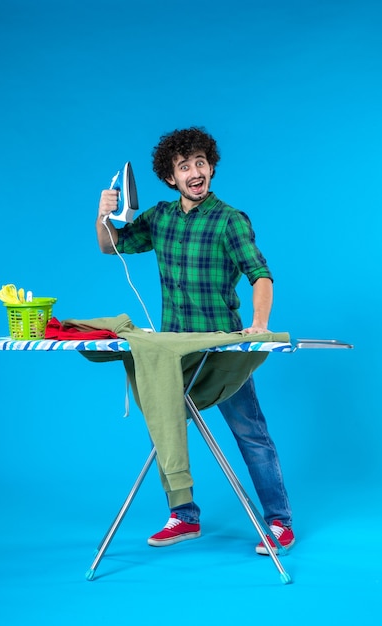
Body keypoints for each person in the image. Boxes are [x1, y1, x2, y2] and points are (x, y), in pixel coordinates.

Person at [96, 127, 295, 555]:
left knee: (251, 433)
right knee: (165, 428)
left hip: (223, 348)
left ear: (211, 168)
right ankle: (184, 516)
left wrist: (259, 324)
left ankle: (280, 522)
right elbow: (111, 246)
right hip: (175, 351)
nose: (194, 172)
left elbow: (260, 274)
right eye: (184, 166)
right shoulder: (160, 218)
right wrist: (103, 214)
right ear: (171, 177)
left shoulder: (230, 220)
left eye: (200, 163)